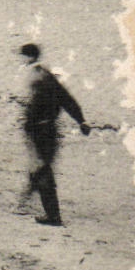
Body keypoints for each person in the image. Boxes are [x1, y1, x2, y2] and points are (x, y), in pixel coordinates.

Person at [17, 43, 90, 226]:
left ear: (27, 57)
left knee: (42, 170)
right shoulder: (46, 75)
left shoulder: (35, 76)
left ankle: (53, 216)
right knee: (40, 167)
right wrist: (81, 120)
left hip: (40, 131)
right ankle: (30, 198)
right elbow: (66, 98)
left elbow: (34, 106)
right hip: (49, 129)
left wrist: (28, 125)